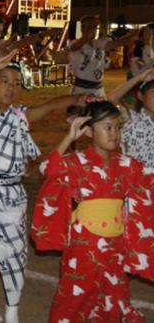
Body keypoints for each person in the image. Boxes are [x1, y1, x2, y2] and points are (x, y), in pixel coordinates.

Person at [0, 51, 87, 323]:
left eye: (17, 83)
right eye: (5, 81)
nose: (11, 88)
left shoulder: (21, 117)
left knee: (15, 251)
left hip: (12, 195)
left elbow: (52, 105)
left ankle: (12, 310)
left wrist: (79, 99)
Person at [31, 101, 154, 322]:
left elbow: (149, 182)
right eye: (107, 127)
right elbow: (48, 169)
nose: (114, 133)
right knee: (73, 297)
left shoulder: (127, 165)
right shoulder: (77, 162)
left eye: (118, 127)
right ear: (88, 131)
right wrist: (69, 137)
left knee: (114, 295)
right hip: (83, 244)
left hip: (116, 243)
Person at [68, 15, 136, 97]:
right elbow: (75, 47)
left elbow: (114, 44)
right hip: (81, 89)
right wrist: (88, 34)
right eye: (90, 26)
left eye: (95, 27)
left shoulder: (98, 43)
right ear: (82, 28)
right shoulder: (75, 43)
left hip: (98, 90)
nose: (94, 29)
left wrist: (131, 36)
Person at [105, 67, 154, 169]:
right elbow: (113, 98)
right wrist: (139, 78)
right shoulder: (131, 120)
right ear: (140, 96)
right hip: (136, 180)